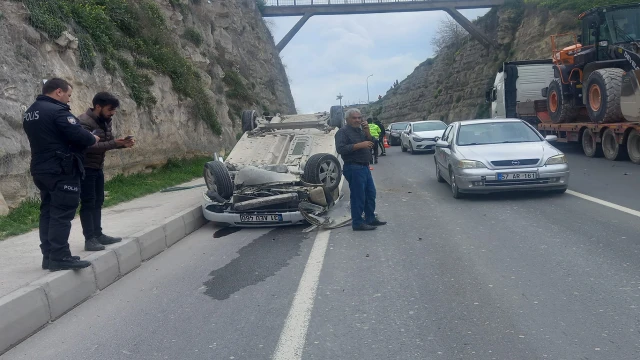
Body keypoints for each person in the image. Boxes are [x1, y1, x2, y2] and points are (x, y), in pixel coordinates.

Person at [23, 78, 99, 271]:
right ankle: (60, 256)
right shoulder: (58, 112)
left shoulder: (31, 111)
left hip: (41, 169)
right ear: (58, 92)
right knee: (62, 213)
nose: (68, 100)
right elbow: (79, 136)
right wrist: (92, 138)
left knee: (48, 211)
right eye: (68, 95)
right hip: (61, 169)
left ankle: (48, 256)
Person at [78, 92, 134, 251]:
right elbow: (88, 145)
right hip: (85, 167)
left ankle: (98, 234)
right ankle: (90, 239)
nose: (112, 113)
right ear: (98, 107)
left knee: (98, 201)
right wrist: (114, 144)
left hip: (97, 167)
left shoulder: (105, 120)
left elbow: (108, 142)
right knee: (88, 202)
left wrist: (122, 143)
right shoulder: (83, 121)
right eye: (110, 109)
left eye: (114, 110)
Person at [335, 109, 387, 231]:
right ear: (347, 119)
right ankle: (357, 223)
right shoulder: (342, 132)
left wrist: (367, 131)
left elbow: (373, 143)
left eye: (359, 117)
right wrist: (360, 145)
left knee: (370, 194)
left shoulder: (361, 131)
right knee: (358, 196)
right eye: (354, 118)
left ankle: (370, 218)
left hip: (364, 166)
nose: (357, 120)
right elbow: (341, 149)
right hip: (353, 167)